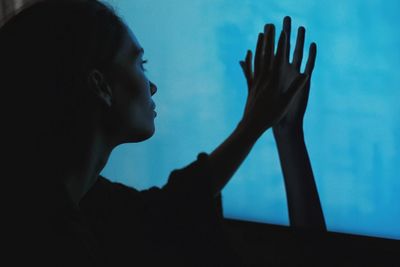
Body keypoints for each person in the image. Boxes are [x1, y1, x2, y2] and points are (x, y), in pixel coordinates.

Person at [1, 0, 324, 266]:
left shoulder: (71, 202)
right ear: (100, 85)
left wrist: (276, 129)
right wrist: (259, 125)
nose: (152, 86)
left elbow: (174, 204)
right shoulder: (56, 240)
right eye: (140, 64)